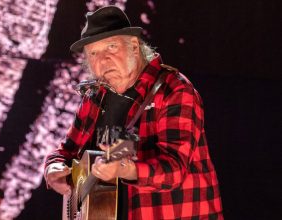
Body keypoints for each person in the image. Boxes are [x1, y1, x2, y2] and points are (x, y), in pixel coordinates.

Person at [45, 5, 223, 220]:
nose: (103, 59)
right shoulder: (94, 96)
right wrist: (53, 168)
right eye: (93, 53)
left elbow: (174, 170)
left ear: (134, 47)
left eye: (111, 47)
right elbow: (66, 152)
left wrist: (125, 170)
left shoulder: (174, 90)